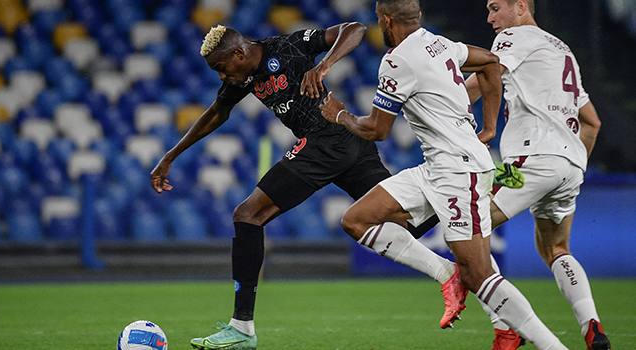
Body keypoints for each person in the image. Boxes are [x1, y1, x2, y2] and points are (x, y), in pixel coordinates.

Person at [151, 22, 470, 350]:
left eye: (221, 68)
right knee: (406, 221)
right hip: (350, 144)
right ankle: (469, 218)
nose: (221, 76)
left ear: (238, 53)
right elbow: (217, 113)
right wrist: (170, 155)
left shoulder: (287, 47)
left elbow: (355, 29)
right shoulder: (242, 75)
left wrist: (325, 64)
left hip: (327, 138)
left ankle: (241, 328)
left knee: (248, 215)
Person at [320, 1, 571, 349]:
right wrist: (489, 125)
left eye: (379, 20)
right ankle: (446, 273)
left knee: (478, 272)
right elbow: (491, 63)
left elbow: (377, 130)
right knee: (357, 220)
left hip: (458, 171)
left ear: (386, 20)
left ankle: (547, 344)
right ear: (418, 18)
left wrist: (340, 115)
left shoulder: (396, 61)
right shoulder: (440, 43)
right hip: (437, 167)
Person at [465, 1, 608, 349]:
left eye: (496, 7)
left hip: (534, 156)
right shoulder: (562, 51)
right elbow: (592, 123)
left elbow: (484, 79)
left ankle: (506, 327)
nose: (490, 18)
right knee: (556, 248)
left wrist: (433, 96)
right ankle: (592, 325)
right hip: (570, 164)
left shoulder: (514, 37)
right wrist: (569, 167)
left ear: (521, 7)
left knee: (467, 232)